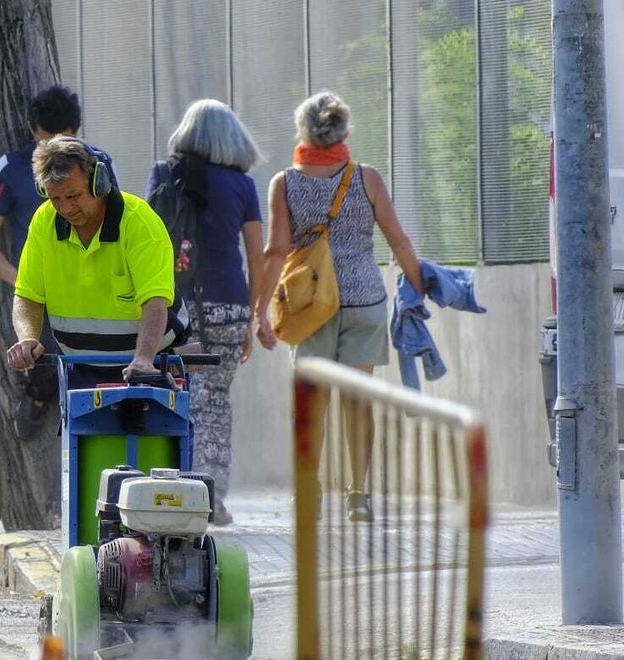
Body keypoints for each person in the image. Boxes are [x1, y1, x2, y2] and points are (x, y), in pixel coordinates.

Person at [253, 91, 423, 522]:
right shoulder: (367, 178)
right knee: (357, 401)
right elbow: (398, 239)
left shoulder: (284, 183)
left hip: (311, 304)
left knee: (311, 403)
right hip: (365, 300)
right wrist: (420, 287)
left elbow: (275, 252)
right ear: (344, 131)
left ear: (303, 131)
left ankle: (310, 490)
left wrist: (261, 314)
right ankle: (358, 495)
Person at [144, 99, 265, 526]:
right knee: (215, 403)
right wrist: (253, 316)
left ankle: (177, 494)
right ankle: (212, 496)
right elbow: (257, 256)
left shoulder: (163, 174)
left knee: (178, 398)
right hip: (230, 305)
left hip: (176, 307)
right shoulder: (243, 186)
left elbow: (147, 242)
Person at [0, 85, 118, 438]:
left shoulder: (98, 164)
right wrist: (24, 282)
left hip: (94, 292)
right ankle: (37, 396)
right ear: (33, 132)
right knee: (41, 361)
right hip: (42, 293)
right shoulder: (11, 167)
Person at [6, 136, 176, 393]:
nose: (65, 208)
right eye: (55, 199)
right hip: (81, 367)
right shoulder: (44, 222)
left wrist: (143, 359)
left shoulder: (139, 222)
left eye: (73, 195)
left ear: (99, 182)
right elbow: (27, 295)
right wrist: (27, 338)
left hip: (150, 364)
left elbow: (155, 301)